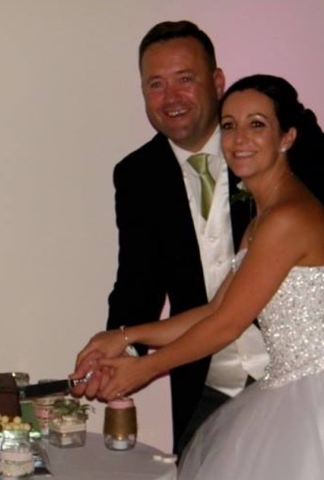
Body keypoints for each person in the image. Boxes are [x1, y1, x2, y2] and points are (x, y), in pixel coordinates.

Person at [74, 74, 324, 478]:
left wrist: (146, 368)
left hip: (311, 397)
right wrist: (124, 336)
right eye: (229, 125)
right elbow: (215, 308)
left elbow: (227, 325)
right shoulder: (265, 217)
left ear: (287, 137)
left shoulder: (289, 218)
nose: (239, 138)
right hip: (286, 389)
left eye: (257, 124)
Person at [103, 20, 269, 455]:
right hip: (207, 385)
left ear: (217, 82)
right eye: (155, 84)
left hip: (296, 380)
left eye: (185, 79)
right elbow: (137, 282)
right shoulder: (137, 175)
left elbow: (231, 311)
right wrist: (118, 350)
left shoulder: (269, 151)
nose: (170, 97)